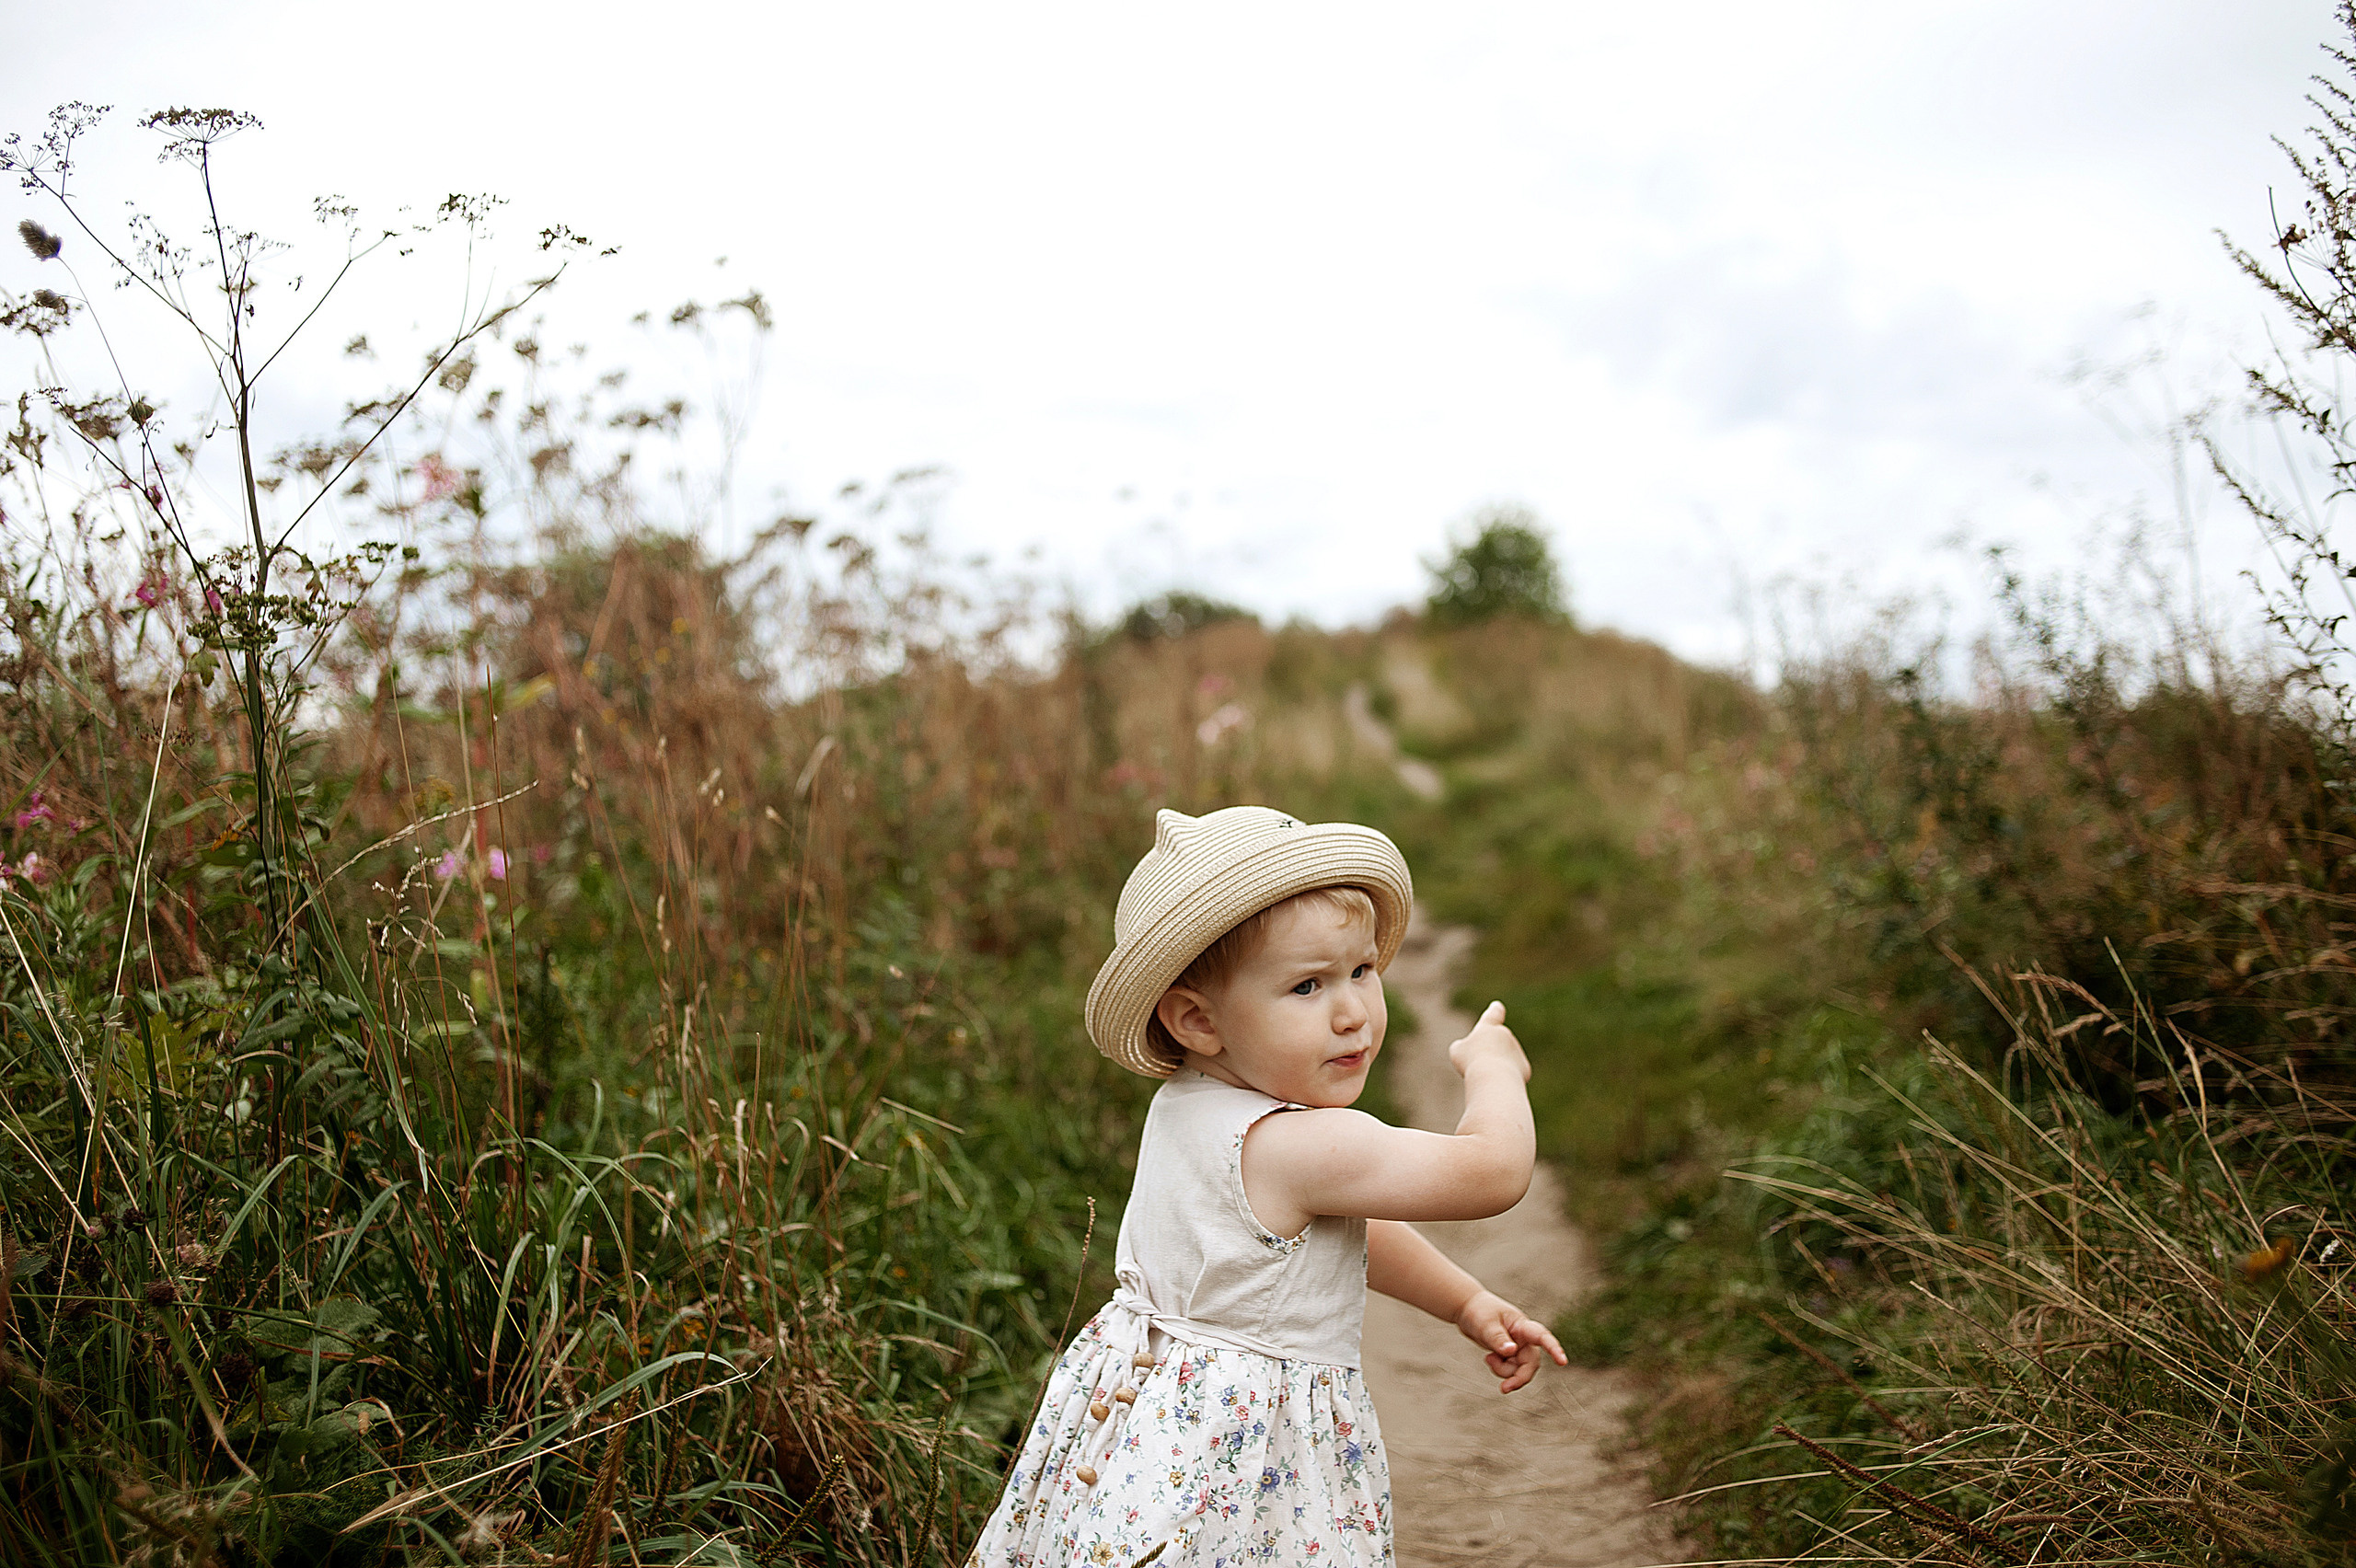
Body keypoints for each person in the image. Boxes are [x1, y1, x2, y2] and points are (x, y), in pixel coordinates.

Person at [968, 804, 1566, 1567]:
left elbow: (1330, 1230)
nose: (1353, 1013)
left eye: (1361, 972)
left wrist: (1464, 1301)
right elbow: (1493, 1172)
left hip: (1148, 1427)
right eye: (1308, 987)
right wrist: (1493, 1072)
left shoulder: (1189, 1107)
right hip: (1246, 1454)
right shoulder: (1298, 1143)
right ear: (1198, 1022)